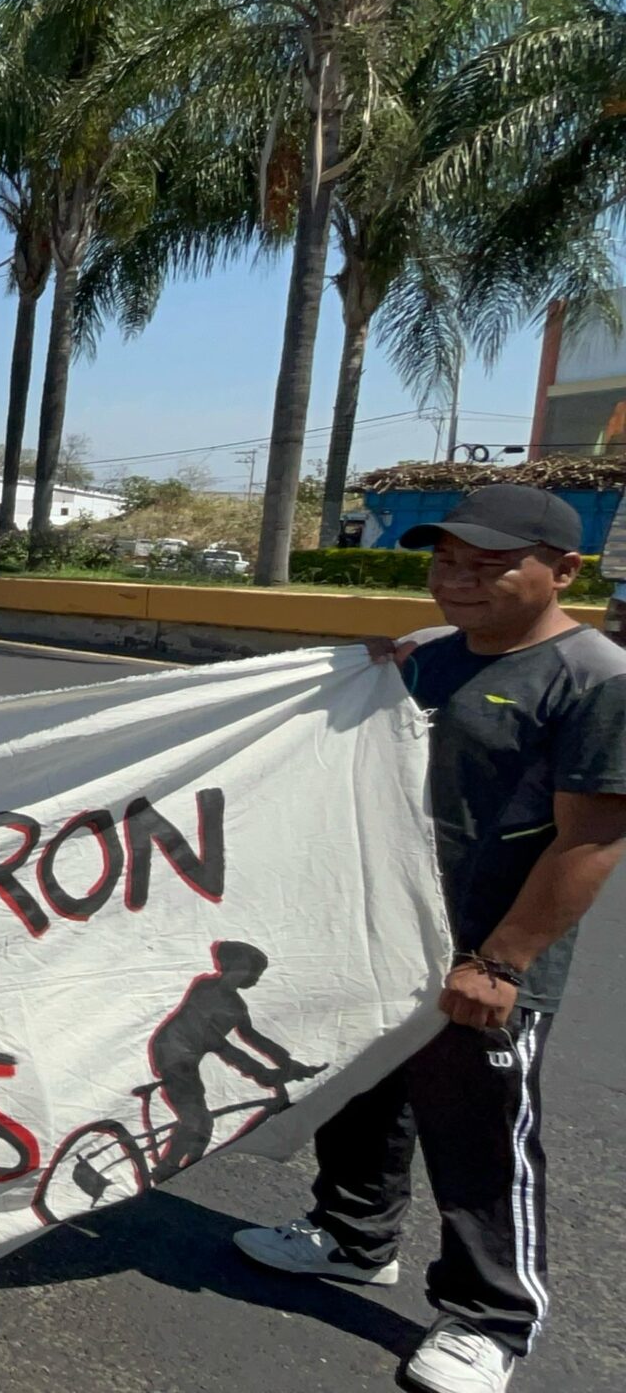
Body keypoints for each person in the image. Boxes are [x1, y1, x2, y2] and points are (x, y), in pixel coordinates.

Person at [235, 485, 626, 1393]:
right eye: (446, 563)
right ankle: (351, 1236)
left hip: (486, 956)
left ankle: (490, 1318)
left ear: (564, 571)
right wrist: (369, 671)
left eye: (490, 567)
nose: (459, 581)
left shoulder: (596, 678)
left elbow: (595, 837)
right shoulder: (424, 661)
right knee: (360, 1095)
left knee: (480, 1137)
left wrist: (503, 961)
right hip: (383, 936)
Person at [145, 941, 319, 1176]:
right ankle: (165, 1168)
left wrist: (288, 1063)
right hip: (172, 1054)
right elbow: (214, 1040)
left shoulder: (236, 1005)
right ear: (232, 966)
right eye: (250, 969)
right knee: (197, 1121)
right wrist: (260, 1072)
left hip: (189, 1058)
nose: (254, 976)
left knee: (202, 1125)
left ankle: (177, 1168)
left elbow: (252, 1036)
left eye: (257, 972)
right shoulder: (206, 989)